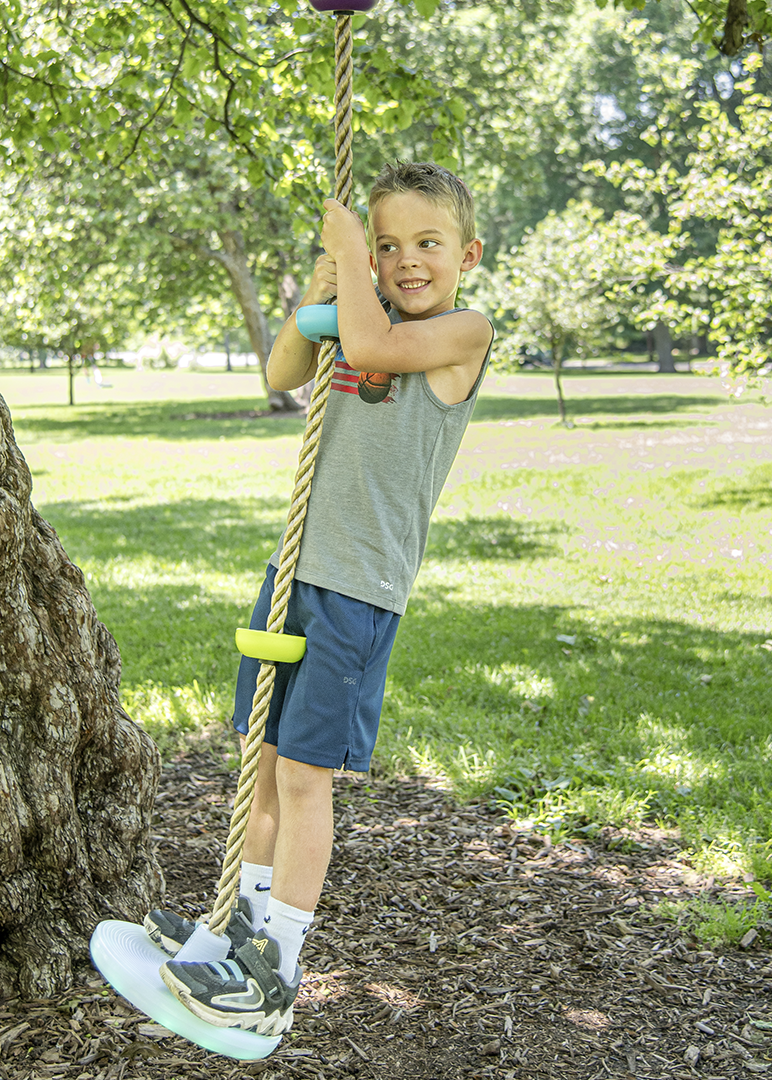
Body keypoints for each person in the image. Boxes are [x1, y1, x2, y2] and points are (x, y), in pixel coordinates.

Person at [147, 161, 495, 1038]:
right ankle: (234, 931)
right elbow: (282, 367)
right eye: (387, 245)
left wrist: (349, 255)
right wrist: (328, 276)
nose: (406, 260)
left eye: (427, 243)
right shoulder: (353, 312)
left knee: (305, 774)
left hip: (357, 591)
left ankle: (280, 962)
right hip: (291, 571)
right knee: (259, 760)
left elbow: (375, 350)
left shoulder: (464, 332)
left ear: (469, 254)